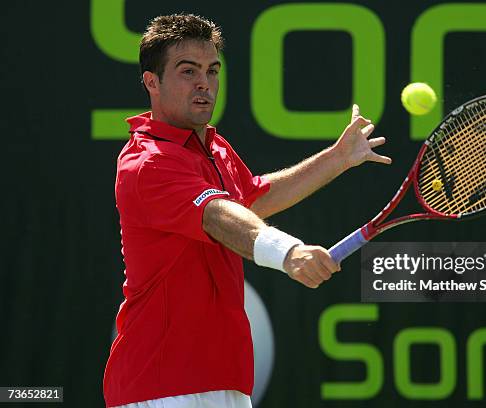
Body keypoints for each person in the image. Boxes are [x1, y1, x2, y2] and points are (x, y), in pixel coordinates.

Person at [103, 13, 391, 408]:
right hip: (160, 383)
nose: (204, 83)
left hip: (226, 379)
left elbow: (252, 201)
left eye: (212, 70)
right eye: (188, 71)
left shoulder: (216, 149)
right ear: (152, 82)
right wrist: (288, 252)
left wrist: (338, 158)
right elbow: (220, 216)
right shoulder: (147, 162)